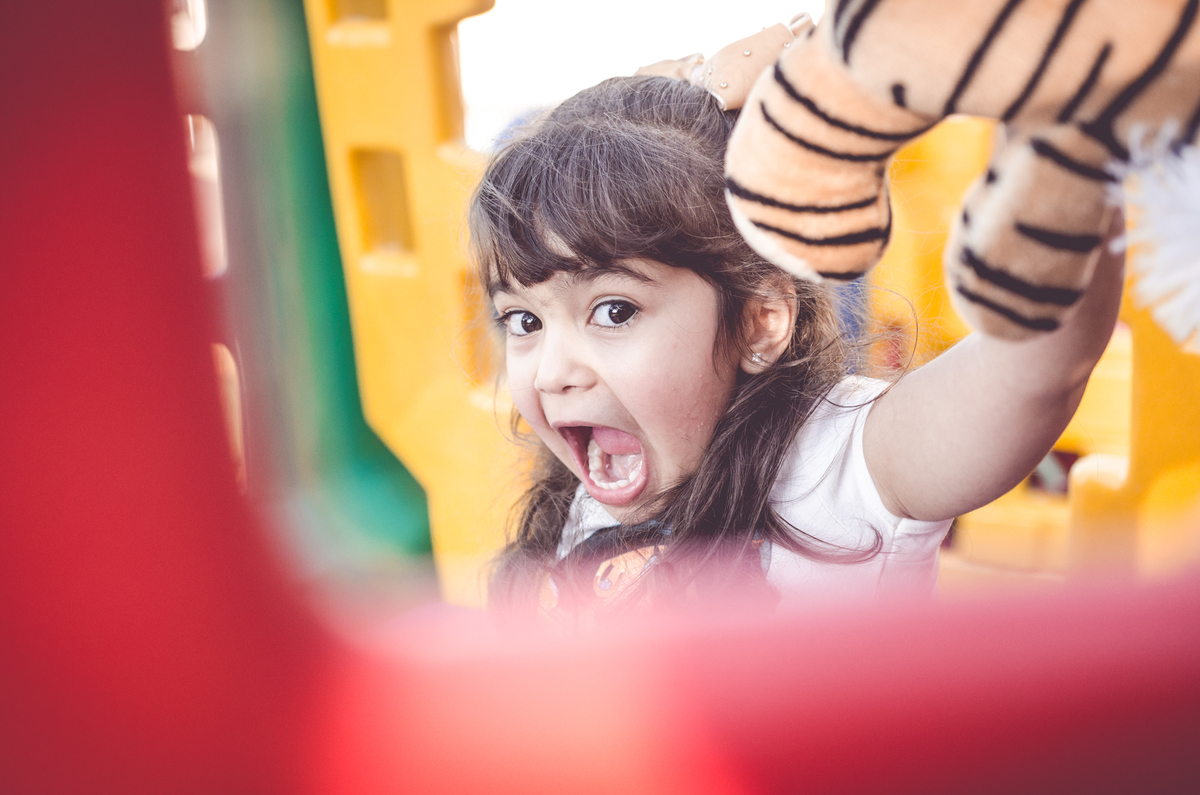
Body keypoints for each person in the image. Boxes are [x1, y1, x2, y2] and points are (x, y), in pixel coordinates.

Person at [469, 74, 1124, 620]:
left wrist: (1059, 102)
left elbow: (1038, 363)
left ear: (760, 322)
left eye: (614, 311)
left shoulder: (835, 466)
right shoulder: (583, 500)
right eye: (523, 321)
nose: (552, 371)